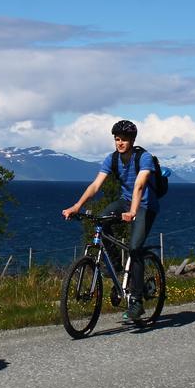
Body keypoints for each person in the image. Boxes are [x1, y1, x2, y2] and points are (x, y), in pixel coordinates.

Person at [62, 119, 160, 319]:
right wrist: (76, 206)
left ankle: (136, 301)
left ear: (132, 140)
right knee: (101, 222)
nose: (120, 143)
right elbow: (96, 186)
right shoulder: (111, 159)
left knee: (134, 248)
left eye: (124, 139)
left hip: (145, 206)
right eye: (117, 139)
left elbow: (140, 185)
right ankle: (116, 270)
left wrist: (133, 211)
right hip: (125, 202)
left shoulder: (144, 158)